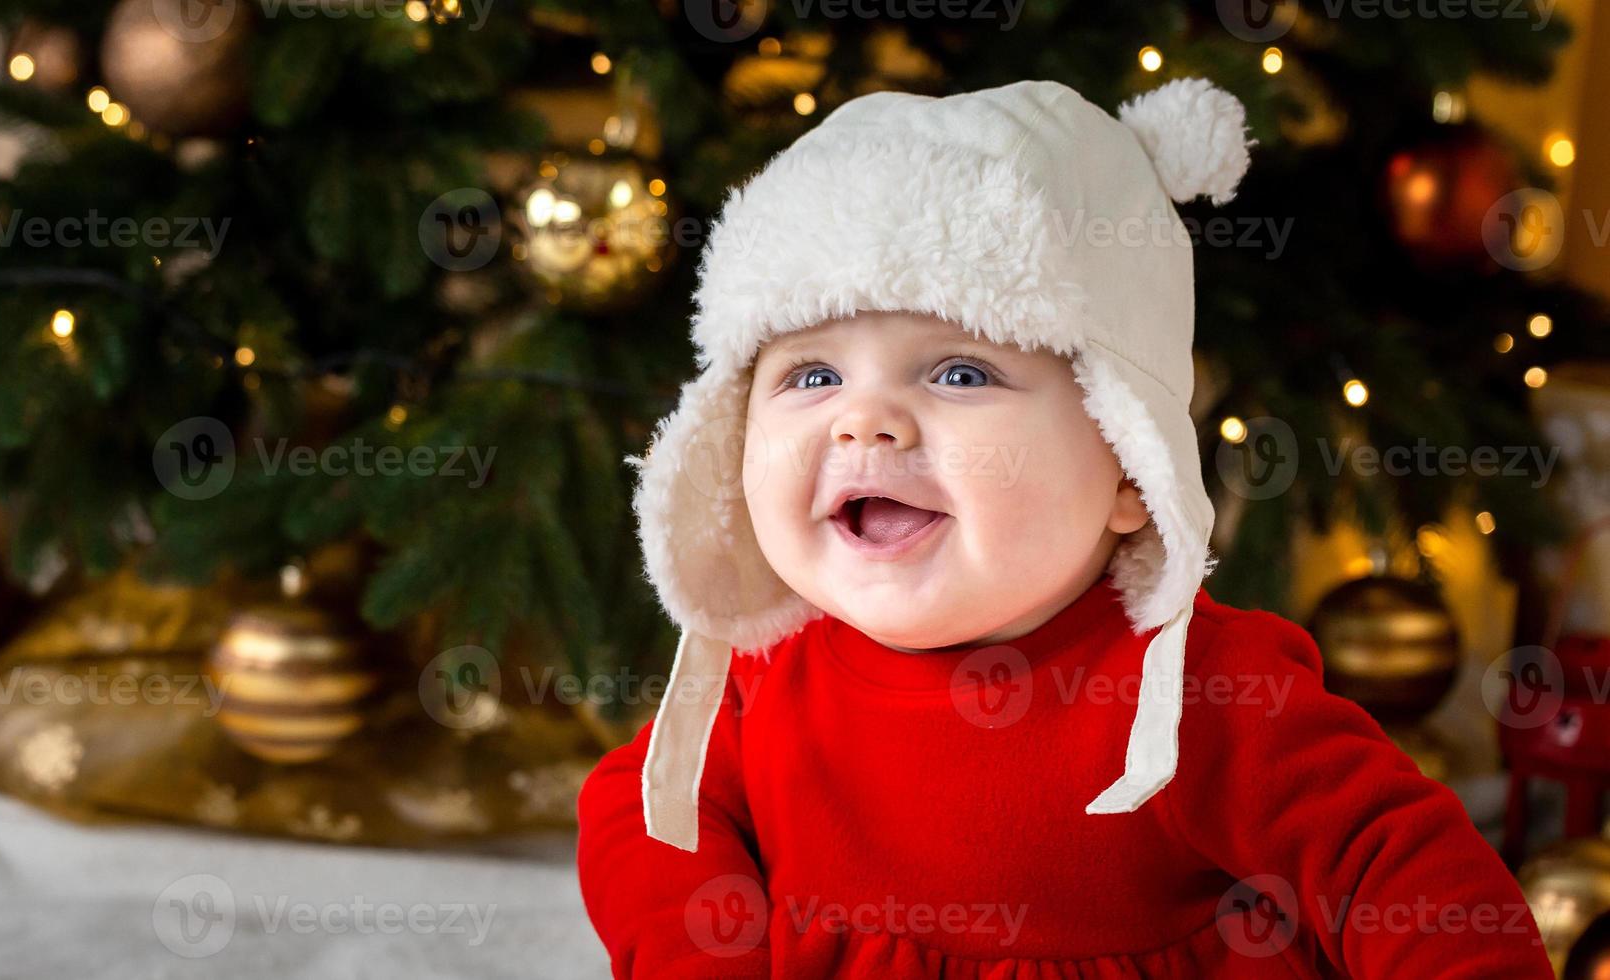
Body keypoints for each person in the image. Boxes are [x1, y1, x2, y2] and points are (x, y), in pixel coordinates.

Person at [577, 77, 1550, 978]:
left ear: (1130, 462)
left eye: (959, 371)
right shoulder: (767, 668)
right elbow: (645, 805)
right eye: (810, 374)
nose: (862, 417)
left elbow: (1400, 867)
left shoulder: (1197, 693)